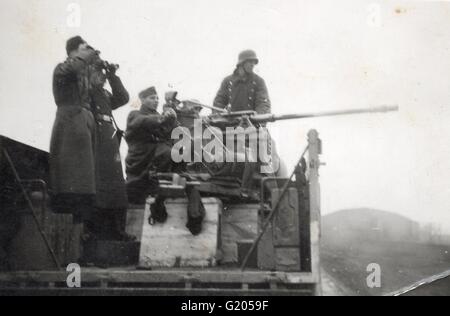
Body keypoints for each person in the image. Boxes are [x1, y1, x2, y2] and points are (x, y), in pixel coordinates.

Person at [49, 36, 98, 229]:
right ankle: (68, 221)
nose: (88, 51)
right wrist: (85, 58)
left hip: (82, 123)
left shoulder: (82, 72)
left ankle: (79, 224)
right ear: (72, 51)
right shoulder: (62, 68)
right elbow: (72, 69)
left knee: (84, 178)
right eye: (84, 48)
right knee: (71, 175)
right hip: (69, 123)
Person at [88, 57, 134, 241]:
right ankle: (98, 233)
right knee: (100, 187)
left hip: (110, 140)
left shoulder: (104, 93)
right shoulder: (87, 92)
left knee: (116, 185)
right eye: (97, 73)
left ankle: (117, 231)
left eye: (103, 75)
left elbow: (122, 97)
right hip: (96, 139)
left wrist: (113, 75)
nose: (102, 78)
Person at [125, 87, 179, 210]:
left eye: (157, 98)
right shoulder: (135, 114)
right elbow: (144, 121)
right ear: (142, 100)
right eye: (152, 98)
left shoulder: (158, 116)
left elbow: (169, 133)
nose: (156, 101)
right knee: (168, 153)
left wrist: (172, 118)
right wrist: (163, 118)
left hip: (153, 157)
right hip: (140, 159)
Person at [213, 50, 271, 114]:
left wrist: (259, 119)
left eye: (254, 62)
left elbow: (263, 103)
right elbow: (218, 103)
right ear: (241, 63)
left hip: (251, 122)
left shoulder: (258, 81)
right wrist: (217, 117)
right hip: (230, 121)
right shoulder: (227, 81)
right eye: (250, 61)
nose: (252, 65)